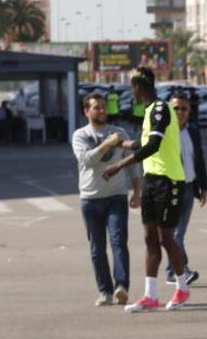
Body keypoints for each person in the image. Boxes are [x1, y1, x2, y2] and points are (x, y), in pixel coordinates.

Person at [102, 66, 191, 313]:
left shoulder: (161, 108)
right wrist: (120, 143)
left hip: (168, 181)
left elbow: (152, 145)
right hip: (152, 180)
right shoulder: (150, 111)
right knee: (150, 238)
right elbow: (142, 142)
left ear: (138, 87)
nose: (132, 91)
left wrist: (119, 165)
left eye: (132, 86)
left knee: (166, 238)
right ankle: (150, 296)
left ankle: (182, 288)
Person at [72, 92, 141, 306]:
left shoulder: (119, 132)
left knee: (119, 242)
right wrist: (108, 144)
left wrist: (138, 191)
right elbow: (87, 160)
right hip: (91, 198)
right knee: (97, 248)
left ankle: (122, 287)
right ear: (86, 111)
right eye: (96, 107)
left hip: (116, 196)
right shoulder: (80, 135)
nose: (102, 111)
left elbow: (133, 164)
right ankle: (105, 291)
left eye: (104, 107)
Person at [164, 92, 207, 286]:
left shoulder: (193, 131)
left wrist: (204, 187)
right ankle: (183, 269)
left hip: (189, 187)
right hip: (169, 188)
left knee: (178, 234)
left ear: (189, 110)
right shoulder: (163, 132)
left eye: (184, 108)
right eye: (176, 108)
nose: (180, 112)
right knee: (174, 234)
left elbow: (198, 159)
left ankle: (170, 271)